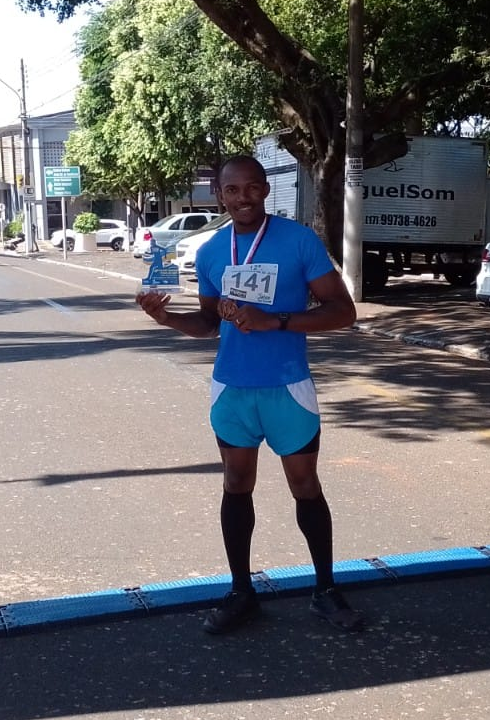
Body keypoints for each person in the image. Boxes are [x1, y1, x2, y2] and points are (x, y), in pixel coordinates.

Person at [136, 154, 362, 634]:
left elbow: (343, 312)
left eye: (252, 187)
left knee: (305, 486)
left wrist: (276, 320)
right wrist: (165, 318)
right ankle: (242, 592)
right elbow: (208, 323)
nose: (243, 198)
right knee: (236, 486)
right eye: (232, 190)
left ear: (265, 189)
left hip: (287, 386)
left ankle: (326, 589)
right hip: (232, 389)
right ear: (219, 194)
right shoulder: (212, 251)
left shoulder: (298, 240)